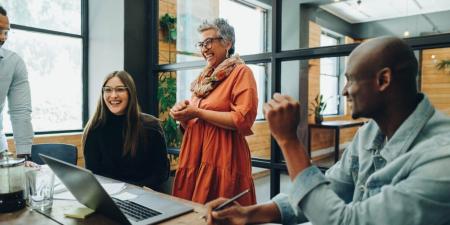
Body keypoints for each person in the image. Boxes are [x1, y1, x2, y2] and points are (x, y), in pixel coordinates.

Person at [205, 36, 450, 225]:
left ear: (383, 80)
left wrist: (289, 141)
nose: (344, 91)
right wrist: (249, 214)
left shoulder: (441, 159)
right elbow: (328, 190)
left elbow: (343, 221)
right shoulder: (369, 133)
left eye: (351, 79)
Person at [170, 18, 258, 205]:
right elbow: (194, 122)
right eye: (201, 44)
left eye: (209, 42)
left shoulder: (241, 73)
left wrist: (198, 112)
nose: (204, 48)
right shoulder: (204, 78)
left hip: (223, 157)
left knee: (222, 212)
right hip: (195, 155)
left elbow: (242, 119)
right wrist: (183, 117)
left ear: (228, 43)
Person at [82, 70, 169, 190]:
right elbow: (93, 174)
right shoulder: (94, 127)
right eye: (107, 90)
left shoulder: (151, 126)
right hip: (108, 196)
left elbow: (161, 173)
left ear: (130, 93)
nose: (113, 95)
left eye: (120, 89)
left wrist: (135, 189)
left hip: (143, 195)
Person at [0, 5, 33, 160]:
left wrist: (24, 155)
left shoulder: (13, 63)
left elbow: (20, 111)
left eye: (6, 32)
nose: (3, 38)